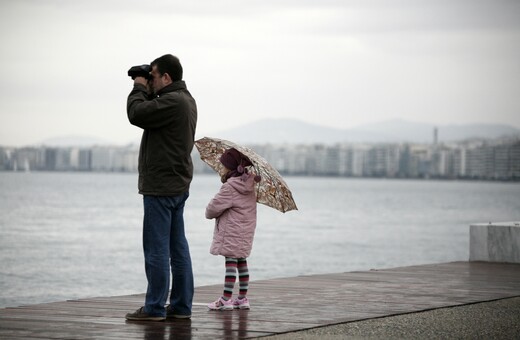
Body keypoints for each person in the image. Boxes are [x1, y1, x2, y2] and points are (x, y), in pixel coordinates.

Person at [125, 54, 197, 321]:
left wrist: (138, 86)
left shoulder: (173, 102)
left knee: (156, 249)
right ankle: (180, 307)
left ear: (167, 77)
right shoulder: (185, 100)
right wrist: (147, 84)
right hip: (177, 185)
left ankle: (154, 308)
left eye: (153, 76)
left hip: (161, 188)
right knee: (178, 249)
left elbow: (137, 113)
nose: (150, 81)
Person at [205, 148, 261, 310]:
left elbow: (212, 210)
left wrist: (211, 211)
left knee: (230, 262)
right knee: (242, 262)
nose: (221, 168)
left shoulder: (230, 187)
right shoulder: (250, 186)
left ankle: (225, 299)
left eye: (223, 166)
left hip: (231, 231)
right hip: (246, 232)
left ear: (230, 168)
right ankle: (242, 298)